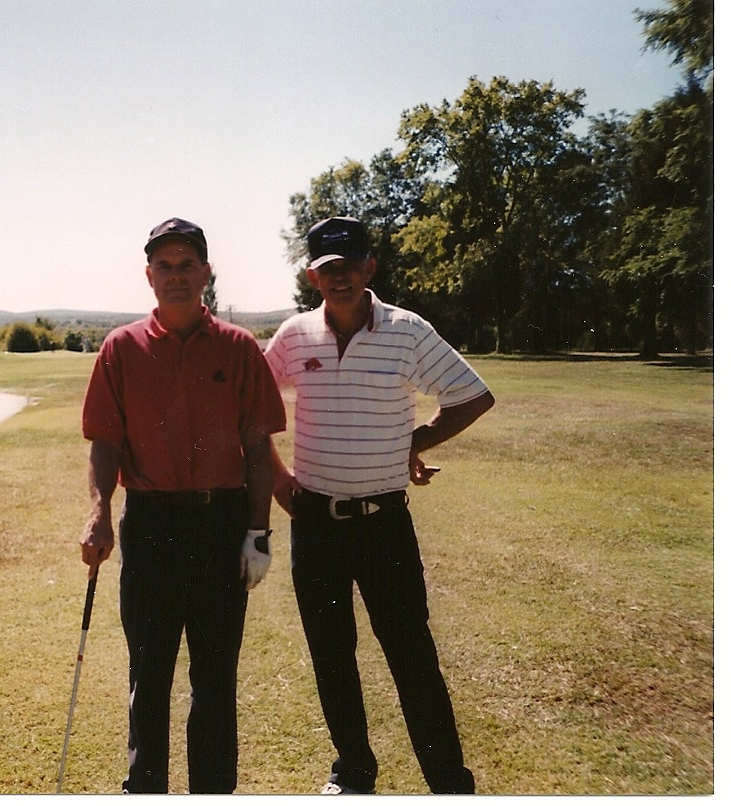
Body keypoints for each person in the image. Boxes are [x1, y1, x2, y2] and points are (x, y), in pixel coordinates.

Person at [264, 216, 494, 795]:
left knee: (412, 654)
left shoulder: (406, 331)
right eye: (326, 269)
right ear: (313, 276)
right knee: (331, 654)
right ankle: (354, 770)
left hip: (383, 523)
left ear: (369, 267)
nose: (339, 278)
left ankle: (449, 781)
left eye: (349, 266)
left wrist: (411, 442)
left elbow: (472, 396)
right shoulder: (293, 336)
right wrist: (277, 479)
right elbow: (252, 410)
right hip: (315, 523)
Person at [80, 217, 287, 793]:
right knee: (149, 675)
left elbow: (256, 446)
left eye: (187, 265)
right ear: (149, 276)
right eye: (164, 266)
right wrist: (98, 513)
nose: (176, 276)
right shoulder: (120, 348)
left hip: (220, 525)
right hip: (151, 526)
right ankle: (144, 790)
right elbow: (105, 442)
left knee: (215, 678)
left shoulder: (240, 348)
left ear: (206, 273)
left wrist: (258, 533)